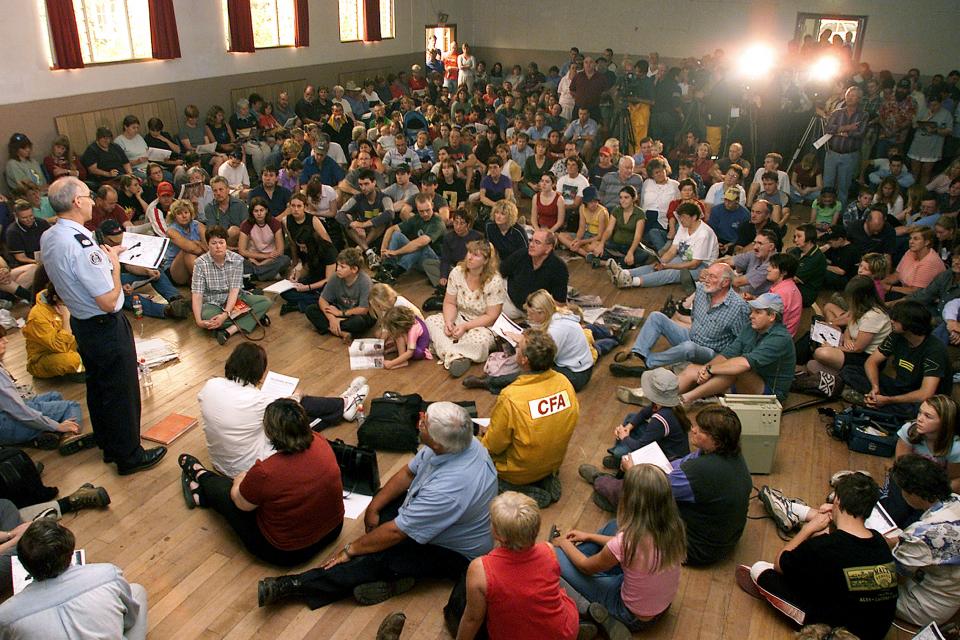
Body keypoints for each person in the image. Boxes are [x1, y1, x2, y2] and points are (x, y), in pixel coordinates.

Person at [257, 402, 498, 609]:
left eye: (424, 423)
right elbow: (408, 473)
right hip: (433, 514)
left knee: (380, 557)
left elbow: (396, 531)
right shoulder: (460, 444)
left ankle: (299, 585)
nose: (419, 419)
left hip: (453, 551)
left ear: (436, 443)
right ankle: (398, 576)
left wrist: (350, 550)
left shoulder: (450, 490)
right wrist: (374, 507)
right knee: (381, 522)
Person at [40, 177, 166, 474]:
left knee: (99, 387)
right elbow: (109, 301)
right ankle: (129, 455)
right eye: (88, 195)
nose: (92, 201)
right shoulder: (84, 246)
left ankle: (109, 443)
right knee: (122, 390)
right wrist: (115, 267)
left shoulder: (50, 236)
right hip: (105, 325)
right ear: (76, 202)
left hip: (82, 324)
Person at [179, 399, 344, 566]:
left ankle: (201, 474)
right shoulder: (320, 441)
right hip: (333, 530)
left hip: (289, 553)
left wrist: (239, 480)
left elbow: (241, 504)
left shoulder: (266, 472)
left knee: (227, 493)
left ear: (269, 432)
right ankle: (201, 495)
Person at [736, 473, 898, 640]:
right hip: (879, 630)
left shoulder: (823, 547)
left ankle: (772, 597)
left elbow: (779, 563)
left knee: (760, 569)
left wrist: (808, 529)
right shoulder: (879, 540)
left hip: (837, 633)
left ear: (838, 501)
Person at [592, 406, 752, 566]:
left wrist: (633, 470)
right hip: (724, 536)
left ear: (716, 440)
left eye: (701, 430)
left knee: (631, 494)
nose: (694, 430)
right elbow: (683, 463)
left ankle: (600, 481)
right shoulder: (730, 453)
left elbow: (650, 489)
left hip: (695, 548)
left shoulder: (698, 472)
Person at [556, 464, 686, 639]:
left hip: (630, 614)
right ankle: (584, 562)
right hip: (661, 607)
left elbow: (586, 567)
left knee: (553, 556)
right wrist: (589, 536)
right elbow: (625, 547)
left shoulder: (628, 542)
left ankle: (590, 612)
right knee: (613, 526)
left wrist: (563, 543)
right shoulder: (675, 527)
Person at [453, 492, 581, 640]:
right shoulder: (549, 550)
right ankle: (583, 611)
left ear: (499, 535)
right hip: (564, 631)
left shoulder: (480, 568)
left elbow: (472, 619)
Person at [0, 519, 148, 639]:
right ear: (71, 553)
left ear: (23, 564)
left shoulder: (6, 615)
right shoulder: (108, 574)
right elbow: (129, 620)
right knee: (136, 590)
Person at [479, 329, 579, 508]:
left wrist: (484, 436)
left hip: (518, 470)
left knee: (476, 456)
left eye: (518, 347)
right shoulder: (564, 383)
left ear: (524, 360)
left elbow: (494, 445)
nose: (516, 348)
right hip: (552, 461)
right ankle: (545, 479)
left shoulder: (511, 396)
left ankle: (520, 490)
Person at [612, 263, 750, 375]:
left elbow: (741, 341)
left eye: (712, 277)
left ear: (725, 282)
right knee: (656, 317)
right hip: (692, 335)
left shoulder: (738, 307)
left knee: (688, 347)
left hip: (710, 352)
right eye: (707, 275)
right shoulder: (702, 290)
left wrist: (720, 365)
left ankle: (648, 363)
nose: (706, 279)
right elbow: (695, 317)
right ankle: (638, 355)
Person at [464, 289, 595, 393]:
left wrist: (521, 342)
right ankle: (494, 381)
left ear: (542, 313)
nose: (529, 317)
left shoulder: (556, 330)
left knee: (529, 375)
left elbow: (540, 359)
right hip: (574, 365)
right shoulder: (558, 316)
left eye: (531, 314)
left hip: (575, 375)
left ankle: (490, 382)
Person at [678, 293, 796, 404]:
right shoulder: (751, 328)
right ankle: (665, 397)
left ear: (772, 316)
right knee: (692, 369)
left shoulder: (780, 338)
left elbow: (744, 364)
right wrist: (705, 369)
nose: (751, 316)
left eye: (757, 312)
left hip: (770, 395)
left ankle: (685, 400)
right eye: (752, 311)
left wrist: (711, 370)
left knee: (735, 370)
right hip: (744, 381)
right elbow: (728, 353)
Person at [840, 301, 952, 418]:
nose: (891, 321)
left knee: (916, 411)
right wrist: (875, 387)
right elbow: (871, 362)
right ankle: (874, 401)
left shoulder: (935, 350)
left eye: (896, 319)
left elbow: (926, 393)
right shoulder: (896, 335)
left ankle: (871, 403)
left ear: (910, 324)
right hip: (899, 388)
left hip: (923, 401)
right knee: (849, 370)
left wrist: (888, 400)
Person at [889, 454, 960, 626]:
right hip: (951, 592)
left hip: (923, 605)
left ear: (914, 494)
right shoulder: (956, 500)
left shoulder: (921, 534)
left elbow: (893, 576)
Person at [426, 240, 506, 378]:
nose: (470, 257)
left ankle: (445, 350)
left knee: (480, 342)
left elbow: (492, 316)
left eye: (476, 255)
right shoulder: (457, 272)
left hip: (483, 324)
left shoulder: (494, 281)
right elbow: (449, 303)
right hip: (459, 316)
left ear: (486, 260)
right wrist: (449, 322)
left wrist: (465, 327)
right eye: (469, 252)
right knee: (430, 321)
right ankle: (457, 356)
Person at [0, 324, 86, 450]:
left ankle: (42, 433)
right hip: (5, 423)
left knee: (54, 396)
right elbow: (18, 411)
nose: (6, 341)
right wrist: (57, 426)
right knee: (71, 406)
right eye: (1, 339)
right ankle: (69, 435)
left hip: (7, 416)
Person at [190, 225, 272, 345]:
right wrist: (198, 321)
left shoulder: (237, 260)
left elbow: (234, 291)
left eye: (221, 242)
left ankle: (229, 330)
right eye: (214, 243)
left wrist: (225, 315)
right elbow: (197, 294)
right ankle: (254, 317)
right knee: (207, 318)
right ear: (208, 245)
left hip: (236, 299)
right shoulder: (200, 264)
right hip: (213, 302)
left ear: (226, 243)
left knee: (266, 301)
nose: (218, 246)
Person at [609, 202, 718, 289]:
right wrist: (662, 262)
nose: (681, 220)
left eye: (684, 217)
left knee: (671, 273)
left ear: (694, 217)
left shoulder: (704, 234)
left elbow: (694, 264)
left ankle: (632, 282)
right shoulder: (683, 226)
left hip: (704, 267)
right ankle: (624, 272)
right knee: (657, 265)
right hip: (684, 258)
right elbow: (672, 251)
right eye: (680, 217)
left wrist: (668, 266)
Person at [280, 193, 338, 315]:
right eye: (293, 206)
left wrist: (307, 288)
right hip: (313, 276)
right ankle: (308, 302)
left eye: (299, 206)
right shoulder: (287, 222)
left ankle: (300, 304)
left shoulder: (328, 251)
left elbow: (329, 280)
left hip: (326, 281)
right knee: (286, 291)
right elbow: (306, 266)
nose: (295, 209)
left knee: (327, 295)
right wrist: (297, 275)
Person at [304, 247, 376, 340]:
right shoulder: (335, 277)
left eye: (342, 267)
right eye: (338, 265)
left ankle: (328, 328)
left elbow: (363, 309)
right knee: (310, 310)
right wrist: (332, 318)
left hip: (355, 315)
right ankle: (341, 331)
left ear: (354, 269)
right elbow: (323, 300)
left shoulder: (365, 282)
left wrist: (340, 314)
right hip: (338, 312)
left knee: (359, 322)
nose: (338, 269)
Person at [500, 230, 569, 320]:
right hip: (510, 301)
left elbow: (559, 302)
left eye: (537, 242)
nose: (531, 245)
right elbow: (500, 271)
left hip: (536, 313)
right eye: (531, 240)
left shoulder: (559, 268)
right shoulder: (522, 254)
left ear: (548, 248)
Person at [377, 193, 444, 286]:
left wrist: (396, 252)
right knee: (396, 235)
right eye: (421, 211)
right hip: (418, 258)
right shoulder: (416, 218)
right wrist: (383, 249)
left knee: (420, 245)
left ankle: (395, 274)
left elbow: (420, 243)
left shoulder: (437, 222)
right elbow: (391, 229)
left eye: (427, 210)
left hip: (435, 262)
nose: (425, 214)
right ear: (417, 209)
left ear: (432, 206)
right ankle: (386, 268)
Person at [822, 86, 867, 207]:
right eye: (848, 95)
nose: (849, 98)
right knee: (827, 184)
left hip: (849, 155)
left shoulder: (863, 115)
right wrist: (848, 128)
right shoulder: (837, 113)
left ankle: (839, 215)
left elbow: (860, 133)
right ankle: (824, 210)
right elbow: (828, 129)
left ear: (859, 99)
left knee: (843, 187)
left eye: (853, 96)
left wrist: (839, 131)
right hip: (832, 153)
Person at [238, 197, 291, 282]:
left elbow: (280, 250)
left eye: (261, 210)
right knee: (237, 260)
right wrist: (261, 258)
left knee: (285, 260)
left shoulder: (275, 223)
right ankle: (267, 274)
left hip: (272, 259)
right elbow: (242, 251)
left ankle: (255, 274)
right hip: (253, 258)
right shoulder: (246, 224)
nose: (259, 214)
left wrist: (263, 263)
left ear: (266, 210)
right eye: (256, 211)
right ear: (252, 212)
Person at [886, 226, 946, 298]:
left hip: (921, 299)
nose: (911, 241)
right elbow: (897, 275)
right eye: (910, 238)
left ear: (927, 242)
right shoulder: (910, 252)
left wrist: (889, 288)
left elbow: (915, 291)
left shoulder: (930, 261)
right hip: (904, 291)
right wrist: (881, 283)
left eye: (916, 239)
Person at [719, 228, 778, 297]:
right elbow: (728, 260)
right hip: (742, 291)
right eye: (754, 243)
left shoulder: (772, 265)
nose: (755, 247)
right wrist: (710, 269)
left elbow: (737, 282)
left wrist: (720, 272)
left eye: (760, 243)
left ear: (771, 247)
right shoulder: (755, 253)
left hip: (755, 299)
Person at [558, 186, 609, 259]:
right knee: (561, 236)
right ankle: (585, 254)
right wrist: (577, 239)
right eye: (591, 202)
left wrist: (581, 242)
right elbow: (581, 228)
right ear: (586, 202)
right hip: (587, 233)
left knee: (592, 247)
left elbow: (600, 236)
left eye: (595, 201)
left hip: (597, 238)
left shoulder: (602, 212)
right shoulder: (582, 208)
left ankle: (576, 249)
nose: (594, 204)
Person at [763, 253, 802, 337]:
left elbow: (767, 321)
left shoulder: (781, 293)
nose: (768, 269)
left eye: (773, 267)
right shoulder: (788, 285)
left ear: (784, 272)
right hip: (783, 333)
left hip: (776, 337)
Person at [788, 224, 827, 307]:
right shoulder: (796, 251)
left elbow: (795, 278)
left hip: (805, 294)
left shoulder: (817, 257)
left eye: (799, 237)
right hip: (792, 287)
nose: (795, 240)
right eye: (795, 236)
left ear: (809, 238)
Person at [203, 176, 248, 248]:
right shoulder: (209, 208)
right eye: (215, 190)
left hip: (240, 243)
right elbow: (212, 232)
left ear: (228, 189)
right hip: (218, 244)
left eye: (221, 189)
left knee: (234, 230)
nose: (218, 193)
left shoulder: (240, 205)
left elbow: (247, 229)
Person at [708, 187, 751, 254]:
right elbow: (711, 229)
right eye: (725, 199)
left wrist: (731, 244)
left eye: (730, 201)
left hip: (735, 243)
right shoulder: (716, 210)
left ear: (737, 200)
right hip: (717, 240)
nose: (727, 203)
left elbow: (743, 236)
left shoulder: (745, 214)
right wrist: (716, 242)